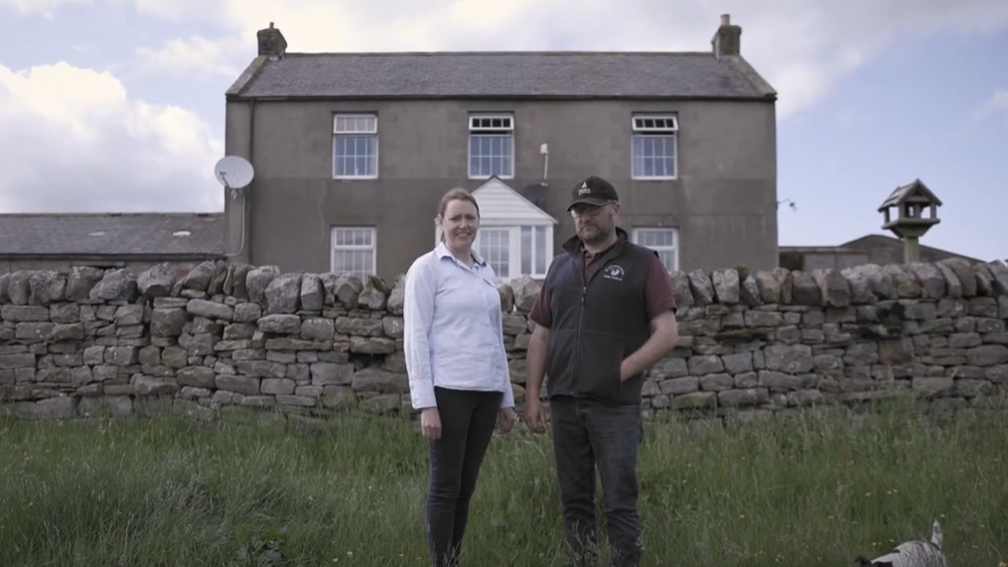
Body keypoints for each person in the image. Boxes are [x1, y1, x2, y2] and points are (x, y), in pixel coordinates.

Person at [523, 175, 679, 567]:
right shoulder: (559, 267)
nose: (584, 217)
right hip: (564, 405)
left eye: (593, 208)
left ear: (615, 210)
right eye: (578, 210)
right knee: (575, 504)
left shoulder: (644, 263)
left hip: (615, 407)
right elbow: (540, 336)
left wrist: (621, 370)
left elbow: (666, 333)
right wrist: (531, 397)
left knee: (619, 503)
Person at [403, 187, 518, 567]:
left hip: (486, 394)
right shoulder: (427, 269)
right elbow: (415, 337)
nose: (463, 225)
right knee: (445, 486)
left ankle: (453, 558)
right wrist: (426, 404)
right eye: (455, 218)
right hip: (448, 392)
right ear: (440, 223)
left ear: (478, 222)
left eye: (470, 217)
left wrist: (506, 399)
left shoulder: (485, 271)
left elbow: (494, 337)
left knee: (466, 487)